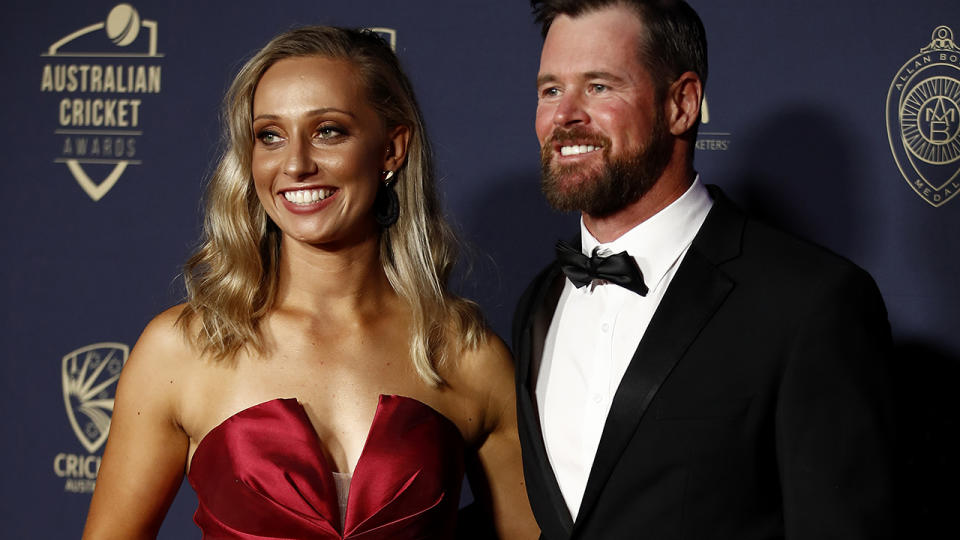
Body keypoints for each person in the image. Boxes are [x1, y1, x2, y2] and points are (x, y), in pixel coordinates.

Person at [82, 26, 537, 540]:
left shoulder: (464, 353)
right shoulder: (184, 348)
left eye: (328, 131)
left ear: (392, 149)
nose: (295, 164)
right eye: (270, 136)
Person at [512, 1, 895, 538]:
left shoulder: (810, 302)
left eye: (599, 87)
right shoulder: (539, 302)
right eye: (550, 90)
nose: (565, 115)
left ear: (682, 104)